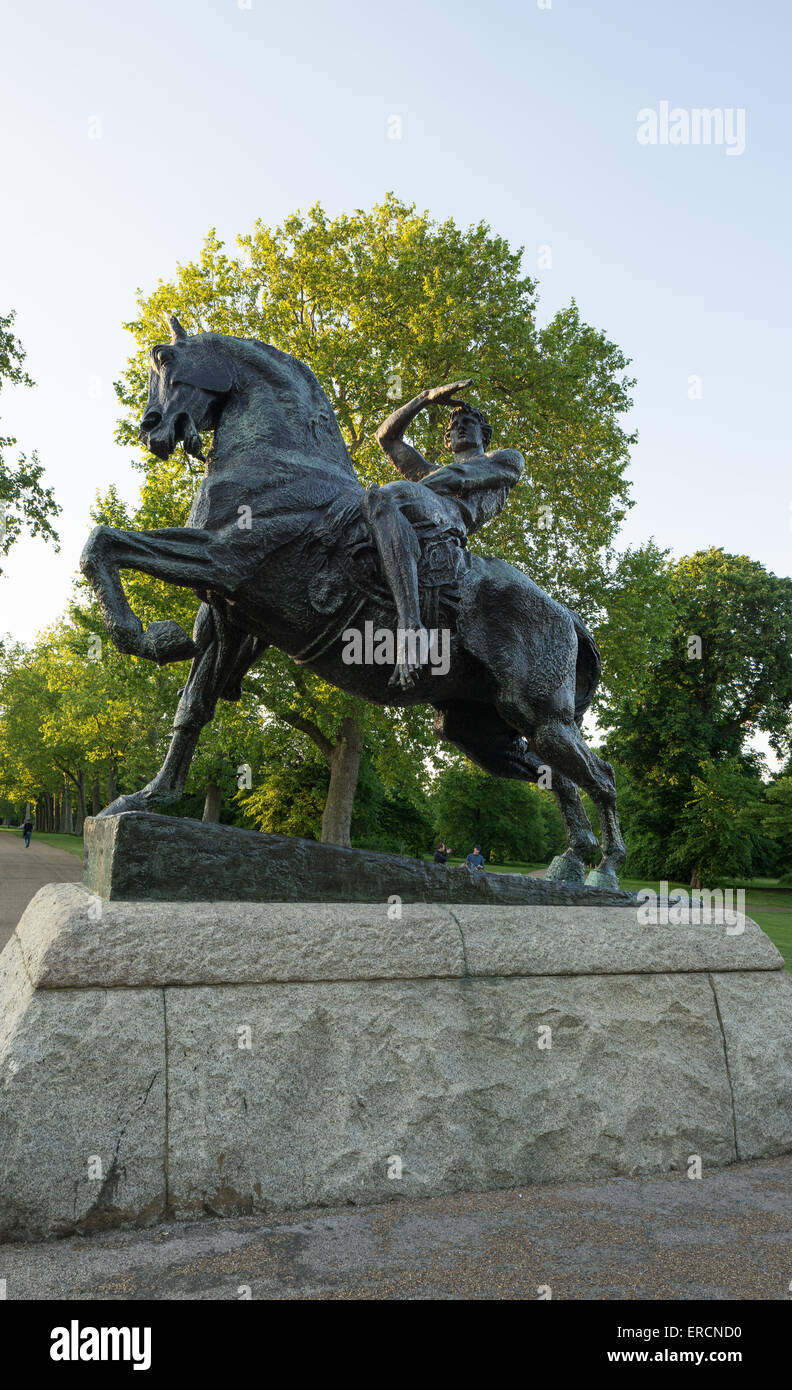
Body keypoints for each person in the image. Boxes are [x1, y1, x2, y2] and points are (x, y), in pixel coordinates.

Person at [368, 382, 525, 688]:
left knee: (385, 496)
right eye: (454, 426)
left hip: (451, 520)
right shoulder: (428, 476)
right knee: (376, 504)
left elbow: (460, 475)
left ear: (484, 434)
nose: (460, 429)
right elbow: (385, 437)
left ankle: (411, 625)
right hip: (423, 505)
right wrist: (424, 398)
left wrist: (411, 489)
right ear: (448, 439)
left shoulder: (505, 459)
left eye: (469, 424)